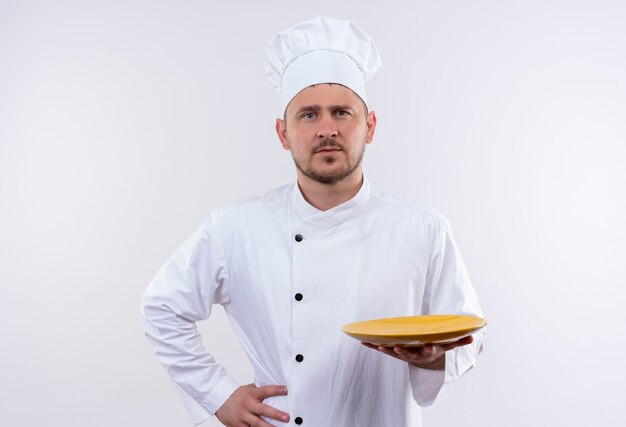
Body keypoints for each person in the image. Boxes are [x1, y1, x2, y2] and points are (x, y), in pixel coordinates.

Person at [141, 16, 485, 427]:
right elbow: (162, 308)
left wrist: (436, 357)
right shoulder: (234, 228)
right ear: (282, 133)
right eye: (308, 115)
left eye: (342, 112)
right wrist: (220, 396)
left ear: (369, 126)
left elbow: (470, 334)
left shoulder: (423, 229)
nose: (327, 129)